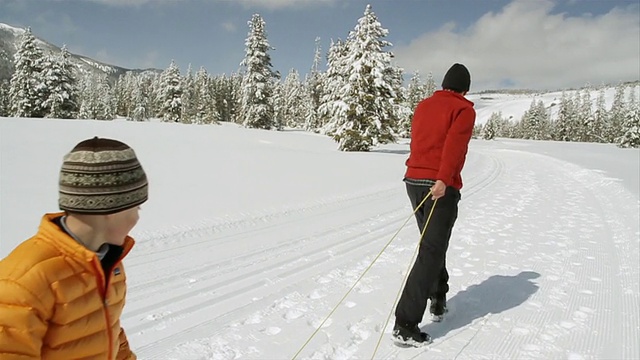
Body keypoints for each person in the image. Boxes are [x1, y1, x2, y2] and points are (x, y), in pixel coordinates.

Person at [0, 137, 148, 359]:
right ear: (111, 208)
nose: (137, 218)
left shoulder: (106, 262)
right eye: (136, 207)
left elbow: (108, 333)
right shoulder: (25, 281)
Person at [392, 63, 476, 347]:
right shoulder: (463, 110)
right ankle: (405, 324)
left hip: (413, 181)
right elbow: (455, 147)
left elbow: (419, 141)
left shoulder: (424, 106)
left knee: (432, 244)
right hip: (439, 186)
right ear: (464, 88)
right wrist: (443, 179)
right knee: (430, 251)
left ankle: (438, 298)